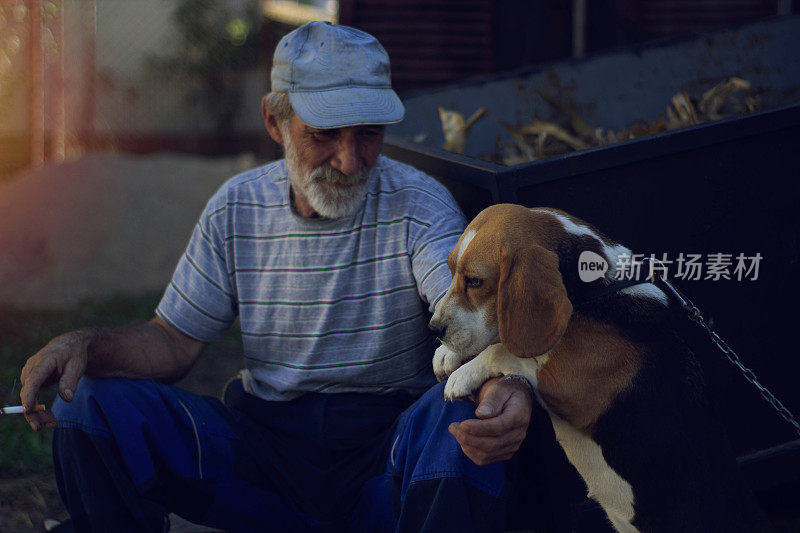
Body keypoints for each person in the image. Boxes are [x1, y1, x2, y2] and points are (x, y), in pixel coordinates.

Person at [20, 21, 533, 532]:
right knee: (91, 402)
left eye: (369, 133)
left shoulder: (419, 204)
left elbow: (464, 309)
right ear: (274, 121)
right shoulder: (236, 207)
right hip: (262, 460)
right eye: (324, 133)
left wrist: (498, 390)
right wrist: (86, 345)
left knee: (459, 424)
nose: (350, 160)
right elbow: (172, 343)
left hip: (387, 457)